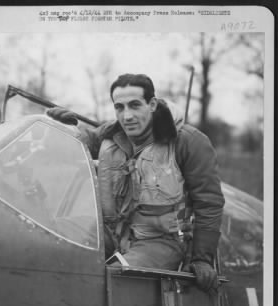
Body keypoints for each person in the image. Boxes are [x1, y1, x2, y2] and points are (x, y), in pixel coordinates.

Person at [47, 73, 225, 292]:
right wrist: (63, 128)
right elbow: (82, 143)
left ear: (152, 104)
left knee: (117, 276)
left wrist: (202, 258)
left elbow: (209, 203)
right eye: (119, 107)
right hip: (113, 232)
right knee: (58, 251)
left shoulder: (189, 141)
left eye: (134, 105)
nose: (127, 116)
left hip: (163, 240)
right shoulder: (110, 133)